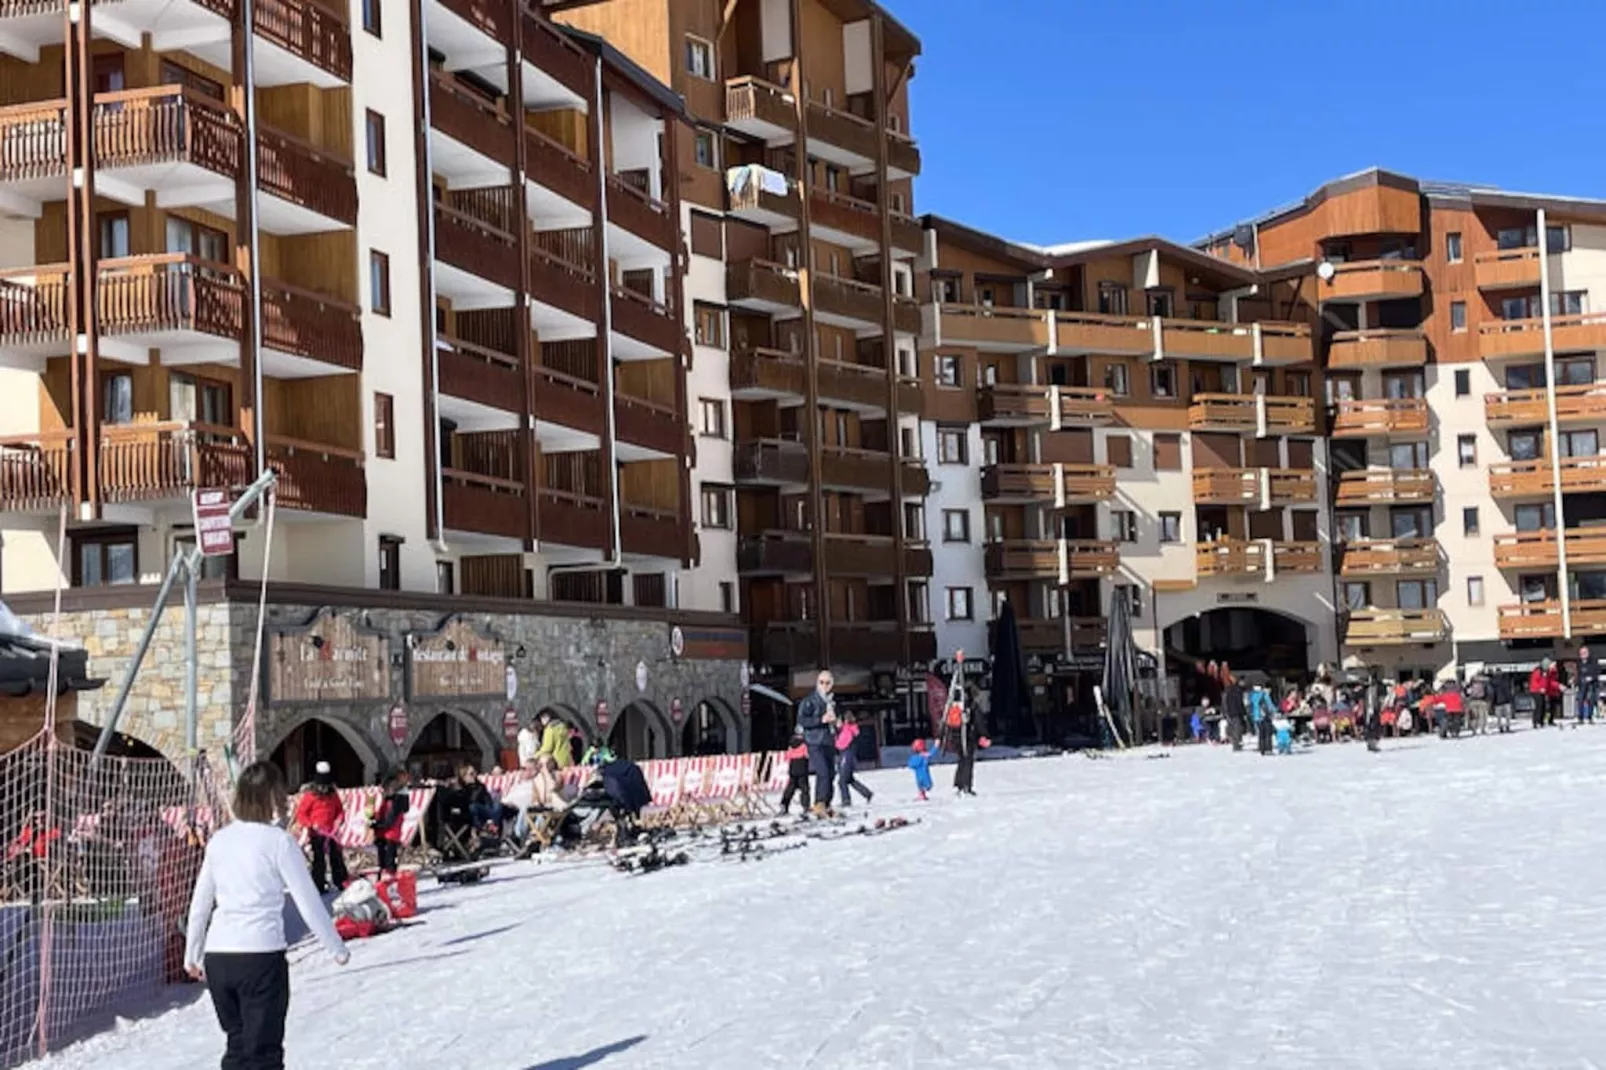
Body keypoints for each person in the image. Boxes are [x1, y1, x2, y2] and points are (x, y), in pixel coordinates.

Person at [185, 761, 349, 1070]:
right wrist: (335, 947)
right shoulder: (279, 842)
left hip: (219, 955)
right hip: (259, 955)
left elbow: (201, 901)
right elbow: (308, 901)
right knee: (264, 1053)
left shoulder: (219, 841)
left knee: (238, 1044)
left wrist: (192, 951)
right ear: (272, 798)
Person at [291, 761, 347, 894]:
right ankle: (318, 884)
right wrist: (311, 824)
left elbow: (339, 810)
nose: (324, 789)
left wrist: (339, 821)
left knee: (336, 856)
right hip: (317, 833)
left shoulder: (333, 795)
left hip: (331, 831)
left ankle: (340, 881)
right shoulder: (310, 796)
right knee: (319, 859)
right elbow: (301, 814)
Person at [795, 668, 840, 815]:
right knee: (823, 772)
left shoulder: (832, 701)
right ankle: (819, 803)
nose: (825, 685)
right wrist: (820, 720)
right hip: (814, 741)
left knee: (831, 773)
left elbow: (836, 719)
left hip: (828, 740)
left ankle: (827, 803)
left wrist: (837, 723)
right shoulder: (809, 701)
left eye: (828, 683)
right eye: (822, 682)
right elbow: (802, 720)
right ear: (817, 683)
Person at [369, 767, 410, 877]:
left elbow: (390, 819)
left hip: (390, 833)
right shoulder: (388, 799)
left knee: (389, 857)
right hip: (384, 833)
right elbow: (381, 813)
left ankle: (390, 876)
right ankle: (383, 874)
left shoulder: (396, 801)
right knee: (382, 856)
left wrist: (378, 825)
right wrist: (374, 819)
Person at [835, 713, 874, 808]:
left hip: (846, 755)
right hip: (845, 754)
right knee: (849, 779)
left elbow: (842, 744)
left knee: (842, 781)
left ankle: (846, 800)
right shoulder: (845, 729)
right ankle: (866, 793)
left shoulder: (847, 730)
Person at [778, 732, 810, 815]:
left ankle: (784, 804)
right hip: (802, 769)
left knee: (790, 788)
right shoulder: (804, 745)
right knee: (804, 789)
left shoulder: (790, 745)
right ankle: (805, 806)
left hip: (793, 769)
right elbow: (807, 755)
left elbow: (788, 756)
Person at [1222, 675, 1247, 752]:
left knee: (1235, 728)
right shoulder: (1237, 690)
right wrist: (1243, 713)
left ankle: (1236, 744)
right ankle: (1236, 746)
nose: (1244, 683)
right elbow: (1239, 703)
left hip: (1231, 712)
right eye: (1243, 682)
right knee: (1237, 728)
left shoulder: (1230, 690)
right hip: (1236, 712)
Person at [1466, 668, 1493, 736]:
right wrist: (1489, 700)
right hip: (1482, 700)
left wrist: (1467, 698)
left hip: (1472, 701)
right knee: (1482, 716)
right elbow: (1489, 691)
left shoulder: (1472, 680)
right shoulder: (1485, 681)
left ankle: (1474, 730)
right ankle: (1482, 729)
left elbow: (1466, 690)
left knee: (1474, 716)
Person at [1250, 684, 1276, 756]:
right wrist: (1275, 711)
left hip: (1256, 717)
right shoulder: (1265, 694)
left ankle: (1262, 749)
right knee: (1267, 733)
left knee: (1261, 733)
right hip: (1265, 716)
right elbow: (1270, 705)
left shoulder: (1252, 695)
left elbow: (1251, 706)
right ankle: (1268, 749)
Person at [1579, 647, 1600, 725]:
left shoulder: (1593, 661)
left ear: (1588, 653)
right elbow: (1578, 673)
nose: (1583, 654)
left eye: (1584, 653)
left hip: (1592, 684)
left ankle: (1590, 717)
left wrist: (1591, 677)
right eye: (1581, 653)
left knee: (1591, 700)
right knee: (1580, 700)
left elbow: (1598, 671)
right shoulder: (1579, 662)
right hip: (1582, 684)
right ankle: (1580, 718)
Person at [1493, 670, 1515, 734]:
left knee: (1499, 716)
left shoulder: (1493, 681)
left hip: (1497, 701)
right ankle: (1507, 726)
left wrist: (1492, 701)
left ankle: (1500, 727)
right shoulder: (1505, 680)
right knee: (1507, 715)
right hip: (1506, 700)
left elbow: (1492, 692)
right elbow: (1508, 691)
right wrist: (1510, 698)